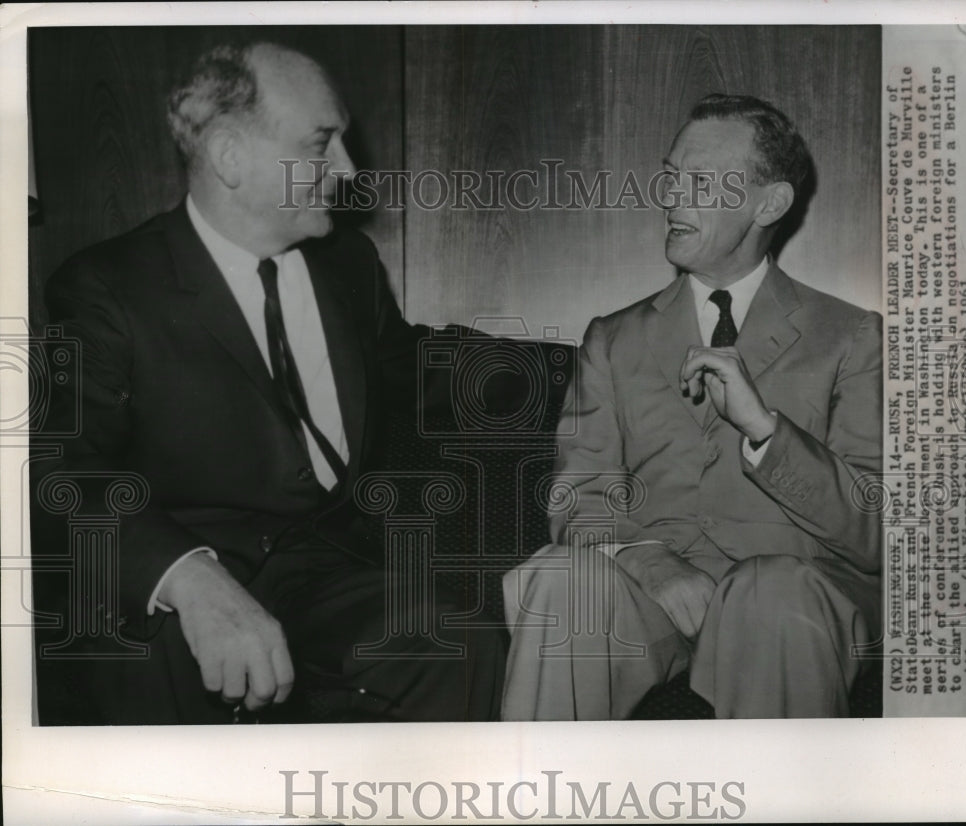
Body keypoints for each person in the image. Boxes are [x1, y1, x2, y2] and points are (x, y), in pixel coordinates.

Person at [35, 40, 504, 724]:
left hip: (329, 568)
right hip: (189, 575)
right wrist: (187, 577)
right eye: (322, 144)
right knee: (143, 652)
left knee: (457, 642)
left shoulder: (348, 265)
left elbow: (418, 371)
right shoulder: (108, 287)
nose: (347, 171)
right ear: (230, 157)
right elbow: (58, 468)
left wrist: (600, 363)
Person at [501, 94, 882, 719]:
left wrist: (765, 431)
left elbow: (879, 529)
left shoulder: (853, 336)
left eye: (699, 182)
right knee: (560, 582)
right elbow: (578, 496)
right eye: (670, 176)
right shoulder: (613, 338)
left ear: (770, 203)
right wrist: (647, 558)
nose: (670, 198)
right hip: (652, 596)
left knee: (768, 593)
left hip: (791, 600)